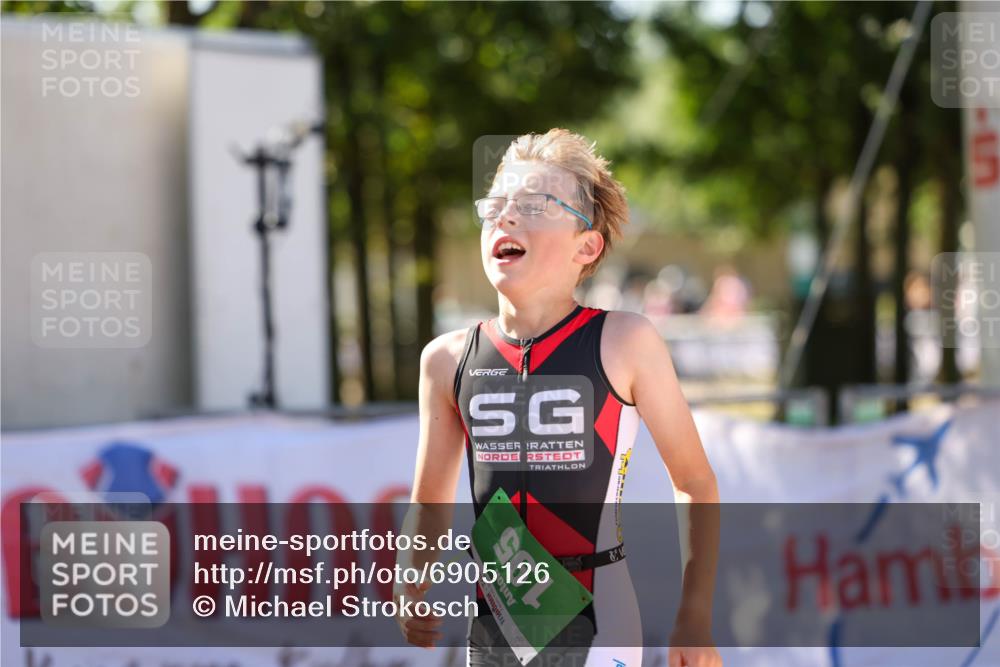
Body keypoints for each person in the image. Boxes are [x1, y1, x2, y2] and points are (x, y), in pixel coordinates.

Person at [396, 129, 721, 667]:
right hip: (493, 626)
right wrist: (412, 576)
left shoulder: (625, 341)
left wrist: (695, 614)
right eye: (495, 205)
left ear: (586, 245)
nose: (506, 216)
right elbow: (429, 500)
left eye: (534, 205)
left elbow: (694, 481)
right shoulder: (446, 360)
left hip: (600, 623)